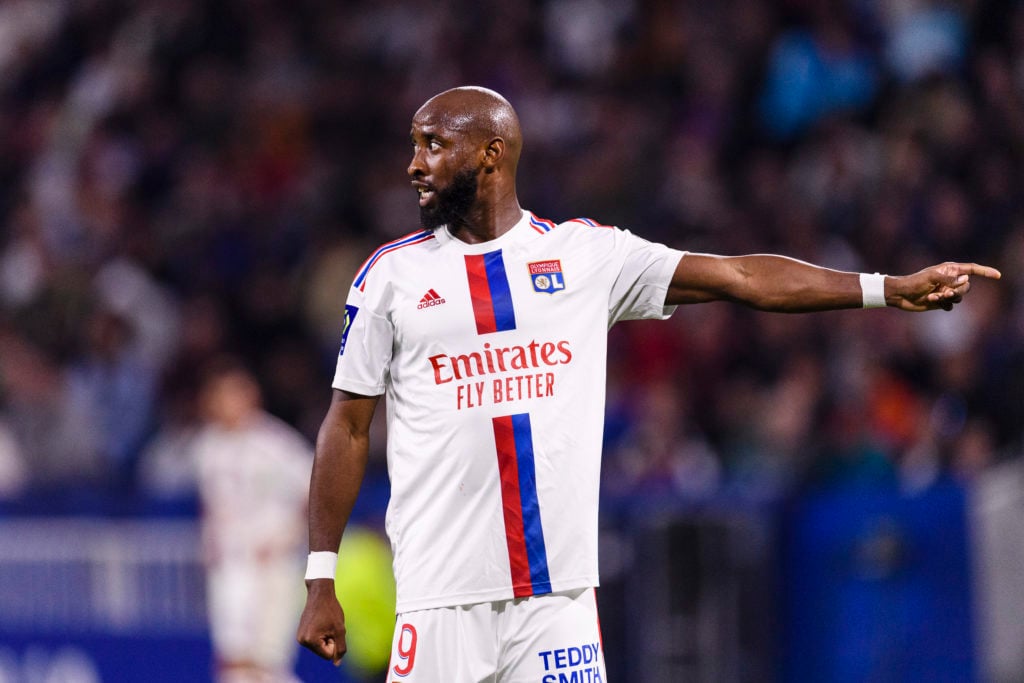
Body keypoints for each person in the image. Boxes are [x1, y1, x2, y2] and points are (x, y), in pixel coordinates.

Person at [297, 86, 1000, 681]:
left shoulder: (585, 255)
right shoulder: (389, 277)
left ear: (491, 154)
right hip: (440, 599)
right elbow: (348, 424)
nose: (413, 164)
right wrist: (320, 574)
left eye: (431, 145)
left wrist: (885, 289)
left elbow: (740, 276)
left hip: (558, 599)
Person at [192, 357, 312, 683]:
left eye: (236, 393)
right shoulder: (207, 447)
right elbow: (212, 505)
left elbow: (315, 488)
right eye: (221, 395)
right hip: (231, 567)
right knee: (233, 663)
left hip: (272, 564)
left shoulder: (275, 443)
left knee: (267, 665)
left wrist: (290, 534)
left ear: (252, 395)